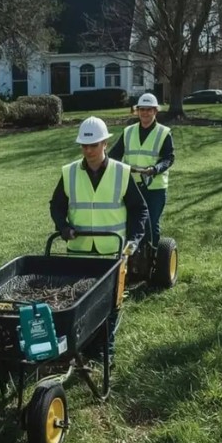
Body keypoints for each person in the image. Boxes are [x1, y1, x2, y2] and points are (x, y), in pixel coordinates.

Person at [48, 116, 149, 369]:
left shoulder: (121, 172)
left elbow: (139, 210)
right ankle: (78, 347)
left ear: (105, 143)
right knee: (77, 302)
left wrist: (134, 241)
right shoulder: (69, 172)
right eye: (84, 146)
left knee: (109, 305)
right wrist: (63, 227)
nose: (88, 150)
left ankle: (104, 352)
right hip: (79, 251)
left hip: (112, 253)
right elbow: (57, 205)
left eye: (93, 145)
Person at [107, 93, 174, 247]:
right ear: (137, 111)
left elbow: (169, 158)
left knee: (151, 224)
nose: (144, 113)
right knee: (132, 223)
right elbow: (114, 155)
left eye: (148, 110)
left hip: (155, 188)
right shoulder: (128, 131)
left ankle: (154, 257)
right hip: (132, 186)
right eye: (141, 109)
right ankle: (134, 257)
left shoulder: (164, 133)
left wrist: (155, 169)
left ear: (155, 111)